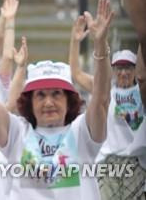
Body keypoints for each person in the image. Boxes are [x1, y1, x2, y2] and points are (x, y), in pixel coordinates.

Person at [0, 0, 113, 199]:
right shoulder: (17, 132)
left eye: (56, 94)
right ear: (30, 101)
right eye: (40, 95)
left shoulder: (82, 132)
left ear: (69, 100)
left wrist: (100, 44)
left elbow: (101, 98)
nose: (48, 102)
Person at [69, 18, 145, 199]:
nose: (124, 72)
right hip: (107, 163)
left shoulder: (141, 92)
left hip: (137, 164)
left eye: (128, 67)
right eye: (119, 68)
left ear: (135, 70)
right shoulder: (105, 89)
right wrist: (74, 40)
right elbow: (76, 73)